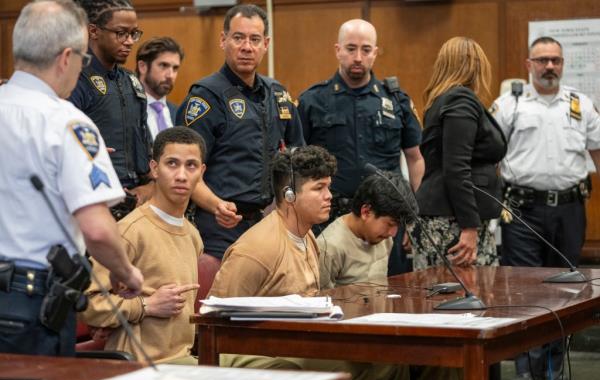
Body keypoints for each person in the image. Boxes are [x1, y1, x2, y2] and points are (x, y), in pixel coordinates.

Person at [0, 0, 143, 357]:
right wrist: (125, 271)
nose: (82, 67)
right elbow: (96, 228)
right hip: (31, 303)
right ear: (66, 58)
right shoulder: (68, 123)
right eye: (83, 59)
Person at [208, 146, 409, 380]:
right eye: (319, 188)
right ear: (289, 194)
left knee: (391, 361)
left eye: (328, 187)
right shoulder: (257, 249)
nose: (329, 196)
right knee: (354, 370)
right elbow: (215, 320)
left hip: (299, 339)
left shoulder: (308, 237)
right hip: (263, 350)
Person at [492, 36, 600, 380]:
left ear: (563, 63)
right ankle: (526, 371)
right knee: (525, 289)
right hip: (522, 209)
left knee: (566, 287)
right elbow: (490, 156)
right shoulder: (510, 105)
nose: (550, 67)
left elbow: (597, 150)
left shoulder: (580, 104)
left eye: (555, 60)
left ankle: (555, 364)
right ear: (528, 64)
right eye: (542, 60)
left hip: (569, 209)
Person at [177, 4, 304, 273]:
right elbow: (185, 170)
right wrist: (216, 206)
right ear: (223, 40)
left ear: (266, 44)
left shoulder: (278, 95)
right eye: (238, 37)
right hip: (218, 224)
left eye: (254, 39)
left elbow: (298, 161)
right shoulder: (205, 97)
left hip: (266, 223)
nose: (247, 47)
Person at [317, 174, 462, 380]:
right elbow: (321, 311)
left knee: (442, 357)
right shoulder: (331, 246)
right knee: (391, 363)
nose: (393, 233)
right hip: (347, 340)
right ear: (366, 212)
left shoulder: (382, 237)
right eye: (391, 224)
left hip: (380, 330)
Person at [298, 19, 424, 276]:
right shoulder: (313, 101)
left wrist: (412, 220)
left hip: (385, 222)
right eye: (350, 48)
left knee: (393, 294)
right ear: (337, 50)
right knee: (328, 295)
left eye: (366, 50)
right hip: (329, 220)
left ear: (375, 52)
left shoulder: (395, 100)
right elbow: (298, 164)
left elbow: (415, 158)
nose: (358, 57)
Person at [81, 127, 205, 363]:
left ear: (201, 171)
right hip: (142, 363)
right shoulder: (129, 231)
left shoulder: (193, 235)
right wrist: (145, 305)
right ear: (154, 169)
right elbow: (89, 303)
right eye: (172, 164)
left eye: (191, 165)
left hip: (184, 357)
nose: (181, 175)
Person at [409, 36, 506, 270]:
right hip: (453, 222)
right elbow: (456, 169)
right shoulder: (460, 100)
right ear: (475, 65)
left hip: (450, 217)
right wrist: (470, 227)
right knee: (460, 300)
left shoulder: (442, 100)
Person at [70, 0, 153, 220]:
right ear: (94, 31)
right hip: (92, 201)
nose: (129, 42)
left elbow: (145, 149)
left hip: (134, 204)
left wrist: (148, 188)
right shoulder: (74, 78)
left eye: (134, 34)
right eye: (121, 33)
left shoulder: (131, 82)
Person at [136, 37, 184, 140]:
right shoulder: (126, 110)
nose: (170, 75)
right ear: (142, 67)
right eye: (163, 65)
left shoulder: (180, 114)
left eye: (175, 68)